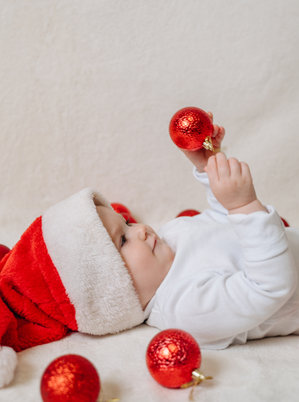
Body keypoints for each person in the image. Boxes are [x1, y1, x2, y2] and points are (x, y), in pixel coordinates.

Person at [1, 113, 298, 388]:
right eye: (123, 240)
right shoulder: (184, 308)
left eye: (127, 223)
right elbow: (268, 286)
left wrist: (207, 167)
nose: (141, 229)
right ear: (115, 290)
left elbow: (221, 221)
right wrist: (244, 206)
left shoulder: (169, 238)